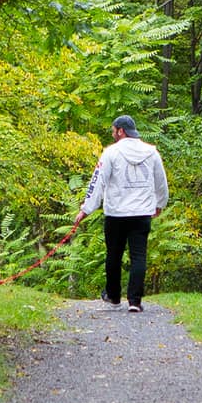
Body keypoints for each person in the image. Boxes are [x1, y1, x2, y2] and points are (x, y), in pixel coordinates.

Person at [76, 115, 169, 313]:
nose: (112, 134)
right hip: (142, 212)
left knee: (114, 254)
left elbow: (97, 182)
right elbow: (161, 181)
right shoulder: (151, 153)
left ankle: (114, 296)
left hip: (116, 213)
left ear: (121, 131)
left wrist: (86, 209)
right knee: (138, 256)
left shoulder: (111, 153)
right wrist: (159, 203)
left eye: (113, 130)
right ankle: (135, 301)